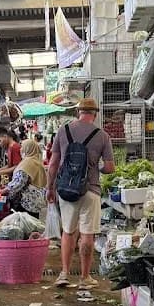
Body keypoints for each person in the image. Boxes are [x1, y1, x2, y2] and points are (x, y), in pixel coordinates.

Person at [47, 98, 115, 287]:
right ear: (95, 114)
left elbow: (53, 164)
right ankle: (85, 277)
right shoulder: (102, 135)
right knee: (87, 234)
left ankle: (64, 273)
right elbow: (110, 167)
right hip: (90, 190)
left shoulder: (63, 130)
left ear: (78, 112)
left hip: (66, 189)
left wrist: (49, 187)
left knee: (68, 232)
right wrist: (96, 168)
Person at [2, 139, 47, 217]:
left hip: (26, 201)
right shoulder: (36, 161)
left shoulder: (28, 162)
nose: (21, 149)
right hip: (35, 201)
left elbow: (19, 182)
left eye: (23, 146)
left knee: (24, 224)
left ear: (28, 148)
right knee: (32, 223)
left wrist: (4, 190)